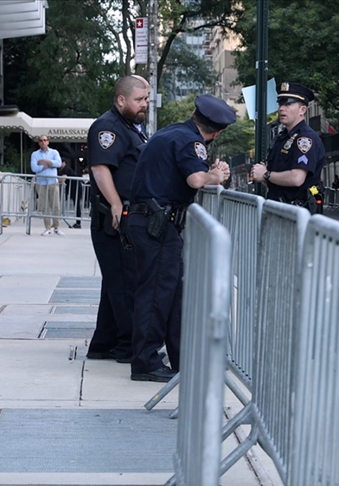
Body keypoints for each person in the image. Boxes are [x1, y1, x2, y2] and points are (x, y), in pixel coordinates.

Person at [126, 94, 236, 382]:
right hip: (157, 224)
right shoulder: (191, 142)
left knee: (172, 294)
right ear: (217, 132)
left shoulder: (171, 132)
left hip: (154, 222)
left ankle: (179, 357)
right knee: (157, 294)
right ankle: (145, 362)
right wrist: (215, 175)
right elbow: (196, 179)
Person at [85, 75, 150, 363]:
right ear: (121, 100)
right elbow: (101, 168)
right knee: (126, 284)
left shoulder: (130, 127)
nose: (144, 105)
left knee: (117, 283)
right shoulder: (108, 127)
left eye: (146, 99)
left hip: (121, 216)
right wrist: (114, 203)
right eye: (139, 100)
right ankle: (129, 348)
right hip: (113, 219)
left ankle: (104, 343)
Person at [250, 82, 325, 214]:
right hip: (280, 211)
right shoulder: (282, 138)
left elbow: (297, 178)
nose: (281, 109)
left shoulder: (305, 139)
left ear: (302, 110)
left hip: (297, 216)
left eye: (288, 104)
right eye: (280, 104)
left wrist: (266, 174)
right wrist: (264, 177)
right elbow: (279, 182)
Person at [30, 136, 64, 236]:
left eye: (45, 140)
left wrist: (46, 162)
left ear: (48, 142)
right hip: (41, 183)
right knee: (44, 206)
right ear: (38, 143)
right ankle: (47, 228)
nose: (43, 142)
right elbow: (34, 168)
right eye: (41, 141)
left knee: (56, 205)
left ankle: (57, 227)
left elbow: (58, 163)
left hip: (53, 181)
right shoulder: (35, 154)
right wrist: (48, 165)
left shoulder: (54, 152)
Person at [58, 158, 82, 228]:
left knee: (77, 205)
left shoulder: (65, 169)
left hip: (76, 188)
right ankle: (78, 222)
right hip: (74, 188)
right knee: (76, 204)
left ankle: (78, 223)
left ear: (64, 163)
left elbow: (63, 179)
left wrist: (55, 180)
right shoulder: (64, 169)